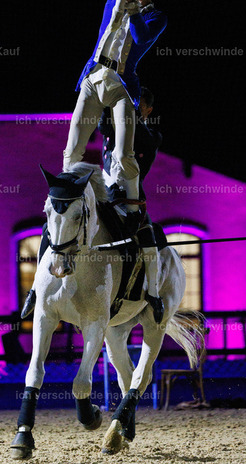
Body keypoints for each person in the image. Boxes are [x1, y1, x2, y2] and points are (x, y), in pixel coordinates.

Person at [63, 0, 167, 235]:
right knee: (72, 149)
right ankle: (67, 204)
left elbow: (140, 36)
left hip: (121, 86)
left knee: (123, 154)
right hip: (94, 77)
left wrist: (132, 5)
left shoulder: (157, 17)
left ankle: (133, 209)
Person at [98, 86, 165, 322]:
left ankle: (154, 294)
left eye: (139, 106)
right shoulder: (113, 126)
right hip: (105, 192)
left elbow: (142, 138)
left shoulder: (152, 135)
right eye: (131, 105)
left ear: (148, 110)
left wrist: (129, 112)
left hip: (131, 194)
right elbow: (103, 125)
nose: (134, 109)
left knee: (148, 240)